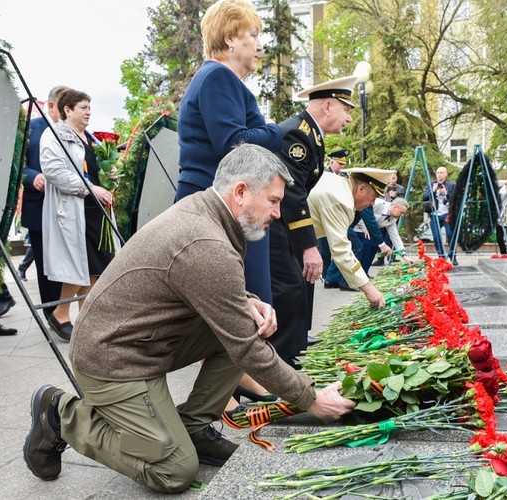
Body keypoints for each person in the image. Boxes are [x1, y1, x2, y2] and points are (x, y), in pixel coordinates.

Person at [22, 144, 355, 492]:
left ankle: (193, 429)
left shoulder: (209, 213)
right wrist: (312, 399)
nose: (277, 213)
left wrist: (248, 302)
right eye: (273, 201)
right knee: (174, 471)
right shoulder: (204, 240)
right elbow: (244, 347)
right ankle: (61, 415)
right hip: (112, 358)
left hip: (143, 341)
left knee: (248, 325)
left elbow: (198, 282)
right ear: (240, 192)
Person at [176, 0, 282, 305]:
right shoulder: (218, 77)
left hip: (221, 208)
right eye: (254, 34)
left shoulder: (217, 79)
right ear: (230, 39)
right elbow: (235, 143)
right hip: (223, 211)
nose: (259, 45)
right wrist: (279, 130)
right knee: (246, 312)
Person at [269, 75, 357, 367]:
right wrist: (309, 247)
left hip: (282, 222)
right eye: (347, 110)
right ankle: (279, 362)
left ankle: (295, 345)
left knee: (300, 283)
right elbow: (293, 194)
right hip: (271, 224)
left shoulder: (311, 135)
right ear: (329, 106)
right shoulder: (299, 135)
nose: (349, 118)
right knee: (289, 287)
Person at [40, 89, 114, 341]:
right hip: (74, 209)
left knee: (95, 268)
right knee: (80, 266)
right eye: (83, 107)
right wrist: (91, 188)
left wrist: (112, 174)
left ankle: (86, 321)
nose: (88, 112)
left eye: (90, 108)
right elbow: (53, 171)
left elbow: (95, 168)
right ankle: (61, 314)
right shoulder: (54, 136)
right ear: (67, 110)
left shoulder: (90, 138)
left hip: (94, 210)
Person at [308, 167, 396, 308]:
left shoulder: (338, 183)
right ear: (361, 189)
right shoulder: (341, 200)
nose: (372, 204)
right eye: (373, 198)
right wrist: (368, 288)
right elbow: (341, 250)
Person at [22, 86, 67, 316]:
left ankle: (64, 313)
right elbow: (17, 167)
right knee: (45, 265)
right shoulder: (31, 128)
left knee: (65, 263)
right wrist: (32, 177)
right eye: (64, 105)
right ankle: (52, 314)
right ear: (50, 106)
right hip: (38, 207)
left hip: (66, 209)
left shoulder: (72, 130)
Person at [355, 197, 410, 271]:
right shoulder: (378, 204)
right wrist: (364, 226)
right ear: (394, 207)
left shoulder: (393, 217)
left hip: (372, 231)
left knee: (375, 246)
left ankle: (365, 273)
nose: (401, 215)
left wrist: (404, 255)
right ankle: (357, 273)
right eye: (401, 212)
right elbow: (362, 210)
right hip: (358, 228)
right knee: (366, 246)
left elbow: (395, 236)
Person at [422, 166, 456, 262]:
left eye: (441, 173)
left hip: (447, 214)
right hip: (434, 214)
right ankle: (441, 256)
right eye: (437, 173)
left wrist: (446, 193)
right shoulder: (431, 184)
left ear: (446, 174)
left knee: (450, 234)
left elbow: (455, 200)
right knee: (436, 236)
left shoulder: (451, 185)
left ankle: (453, 255)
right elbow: (424, 197)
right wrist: (433, 191)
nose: (439, 175)